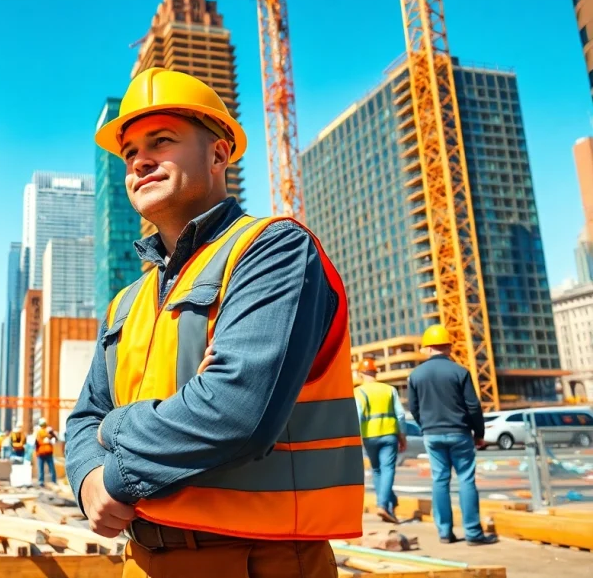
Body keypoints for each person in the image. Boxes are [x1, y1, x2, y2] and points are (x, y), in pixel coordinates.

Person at [64, 67, 363, 577]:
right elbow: (80, 421)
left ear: (219, 154)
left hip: (259, 561)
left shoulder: (272, 249)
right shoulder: (127, 302)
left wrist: (114, 446)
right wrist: (89, 478)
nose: (140, 161)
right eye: (130, 151)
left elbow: (236, 411)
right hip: (141, 561)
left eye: (161, 140)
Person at [408, 325, 499, 546]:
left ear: (428, 348)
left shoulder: (415, 375)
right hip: (460, 433)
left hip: (432, 434)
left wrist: (425, 426)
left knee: (440, 480)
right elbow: (473, 406)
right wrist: (479, 433)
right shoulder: (460, 372)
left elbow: (414, 408)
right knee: (466, 480)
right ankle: (473, 533)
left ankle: (445, 533)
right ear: (449, 347)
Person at [354, 357, 407, 524]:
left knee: (377, 471)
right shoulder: (389, 389)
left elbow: (358, 415)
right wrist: (402, 435)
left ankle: (385, 505)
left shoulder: (359, 391)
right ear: (375, 373)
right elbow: (400, 415)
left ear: (361, 374)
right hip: (390, 434)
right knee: (388, 469)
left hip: (370, 436)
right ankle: (384, 505)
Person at [35, 418, 57, 485]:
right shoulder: (43, 431)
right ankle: (50, 481)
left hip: (45, 453)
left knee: (43, 468)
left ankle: (44, 481)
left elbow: (36, 443)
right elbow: (37, 442)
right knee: (47, 468)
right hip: (43, 453)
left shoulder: (46, 431)